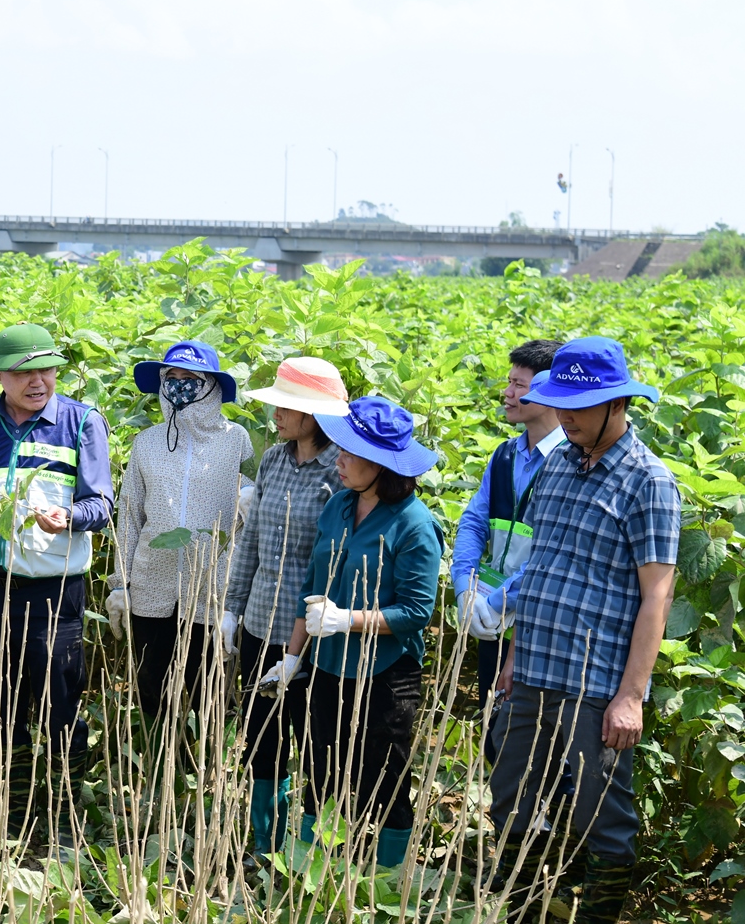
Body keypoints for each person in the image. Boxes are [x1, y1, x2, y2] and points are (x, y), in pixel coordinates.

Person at [488, 337, 679, 924]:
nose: (565, 416)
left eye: (581, 405)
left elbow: (657, 595)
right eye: (561, 403)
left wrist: (630, 696)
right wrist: (516, 656)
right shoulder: (556, 468)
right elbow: (539, 568)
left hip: (595, 681)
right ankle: (521, 907)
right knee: (510, 796)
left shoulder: (648, 482)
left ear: (618, 405)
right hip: (535, 664)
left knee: (602, 813)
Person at [0, 323, 113, 850]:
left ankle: (61, 820)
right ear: (0, 377)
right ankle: (14, 819)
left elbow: (102, 503)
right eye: (23, 372)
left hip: (54, 589)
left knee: (61, 705)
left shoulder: (82, 423)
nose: (37, 381)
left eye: (46, 369)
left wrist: (70, 516)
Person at [258, 396, 441, 870]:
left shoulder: (415, 525)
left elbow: (419, 610)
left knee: (383, 779)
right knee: (320, 772)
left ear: (382, 464)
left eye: (350, 453)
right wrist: (294, 656)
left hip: (385, 674)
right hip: (326, 665)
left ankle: (383, 877)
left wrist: (350, 619)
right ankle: (310, 868)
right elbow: (311, 587)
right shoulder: (338, 506)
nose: (337, 460)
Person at [224, 355, 348, 856]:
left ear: (314, 414)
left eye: (287, 405)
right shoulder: (274, 459)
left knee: (318, 741)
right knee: (262, 739)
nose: (276, 413)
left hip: (314, 632)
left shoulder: (341, 467)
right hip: (259, 621)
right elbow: (251, 538)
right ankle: (264, 842)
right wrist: (231, 607)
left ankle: (309, 852)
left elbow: (338, 558)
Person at [108, 341, 252, 727]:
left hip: (211, 588)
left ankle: (205, 776)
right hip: (150, 585)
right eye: (172, 377)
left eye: (191, 378)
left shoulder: (236, 440)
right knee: (151, 689)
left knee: (211, 696)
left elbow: (248, 520)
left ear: (211, 385)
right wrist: (120, 584)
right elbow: (130, 515)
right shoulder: (148, 443)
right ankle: (159, 767)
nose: (179, 386)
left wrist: (236, 596)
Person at [449, 340, 564, 733]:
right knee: (494, 731)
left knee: (536, 741)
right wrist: (465, 588)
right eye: (509, 382)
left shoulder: (571, 464)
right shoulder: (505, 455)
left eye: (519, 385)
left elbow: (556, 551)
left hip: (538, 621)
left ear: (550, 391)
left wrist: (500, 599)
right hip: (490, 618)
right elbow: (473, 521)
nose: (508, 394)